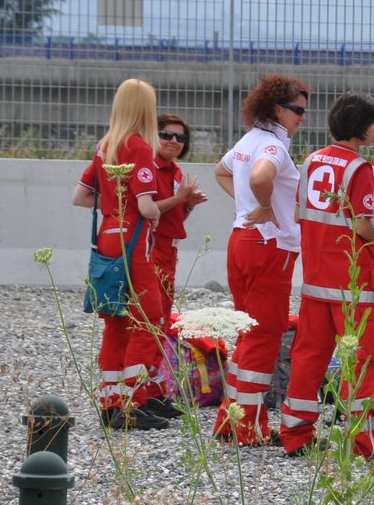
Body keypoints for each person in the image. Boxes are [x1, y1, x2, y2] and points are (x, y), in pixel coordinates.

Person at [278, 92, 374, 458]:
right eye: (373, 123)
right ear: (359, 127)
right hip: (352, 282)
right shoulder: (357, 169)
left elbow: (303, 215)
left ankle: (295, 434)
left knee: (309, 356)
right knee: (361, 358)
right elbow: (362, 227)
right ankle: (363, 441)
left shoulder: (312, 160)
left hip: (315, 277)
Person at [71, 78, 174, 431]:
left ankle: (110, 400)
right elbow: (146, 205)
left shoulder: (105, 145)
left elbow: (81, 197)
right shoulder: (138, 146)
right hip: (134, 241)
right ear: (145, 109)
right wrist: (154, 212)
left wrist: (116, 208)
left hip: (108, 236)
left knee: (115, 321)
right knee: (149, 318)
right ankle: (133, 400)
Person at [213, 75, 310, 445]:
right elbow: (260, 176)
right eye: (297, 110)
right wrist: (265, 207)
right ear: (276, 110)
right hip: (269, 247)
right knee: (263, 336)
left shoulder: (249, 139)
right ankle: (246, 427)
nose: (302, 118)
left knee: (247, 333)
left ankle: (231, 419)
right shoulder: (272, 146)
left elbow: (222, 171)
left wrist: (248, 207)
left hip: (241, 240)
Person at [149, 113, 207, 329]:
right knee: (152, 312)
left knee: (164, 309)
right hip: (152, 247)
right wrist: (180, 198)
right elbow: (147, 210)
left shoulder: (175, 171)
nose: (174, 141)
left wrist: (188, 204)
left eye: (180, 138)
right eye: (166, 135)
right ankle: (145, 361)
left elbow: (175, 219)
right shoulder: (149, 168)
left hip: (169, 250)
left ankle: (156, 361)